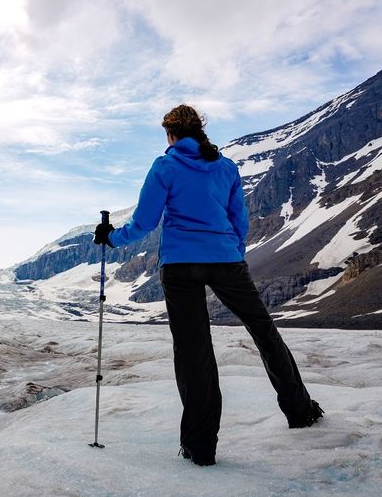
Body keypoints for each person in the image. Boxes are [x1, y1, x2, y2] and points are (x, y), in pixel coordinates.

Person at [93, 104, 323, 467]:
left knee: (193, 351)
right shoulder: (225, 166)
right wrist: (232, 251)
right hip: (226, 261)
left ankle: (201, 447)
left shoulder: (164, 166)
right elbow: (239, 221)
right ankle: (301, 411)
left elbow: (144, 223)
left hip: (181, 265)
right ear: (199, 130)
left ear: (170, 134)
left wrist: (111, 237)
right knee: (264, 331)